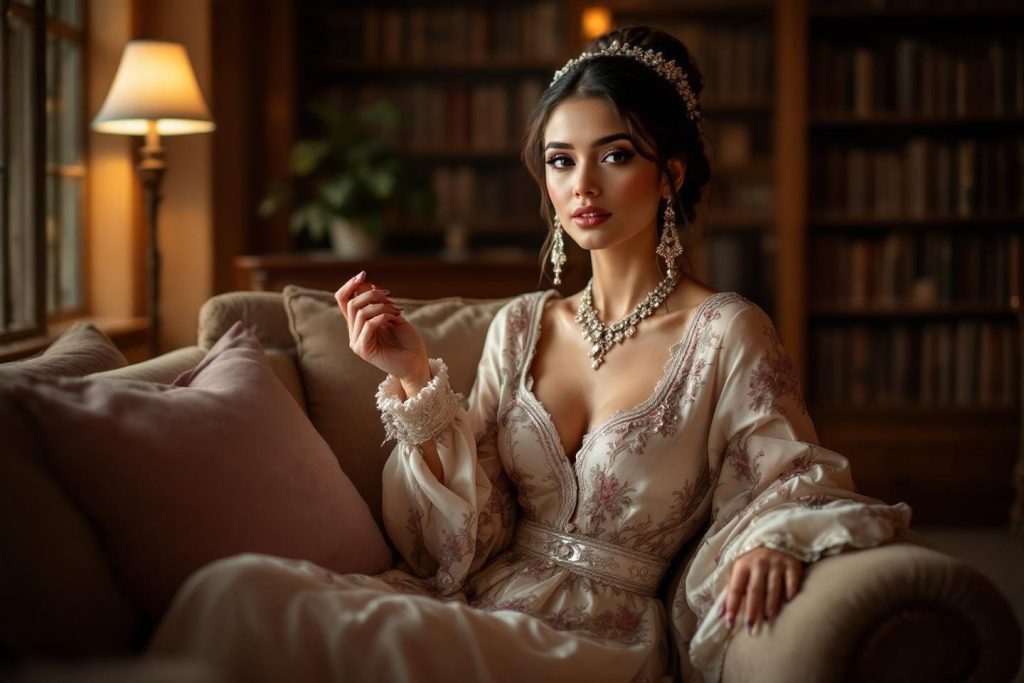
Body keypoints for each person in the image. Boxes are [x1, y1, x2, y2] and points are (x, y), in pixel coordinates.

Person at [148, 26, 912, 682]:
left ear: (669, 173)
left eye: (613, 155)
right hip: (481, 603)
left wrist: (778, 536)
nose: (581, 185)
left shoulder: (727, 331)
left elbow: (789, 470)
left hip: (599, 641)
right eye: (559, 160)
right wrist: (412, 375)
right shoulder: (520, 326)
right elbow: (459, 540)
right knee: (236, 591)